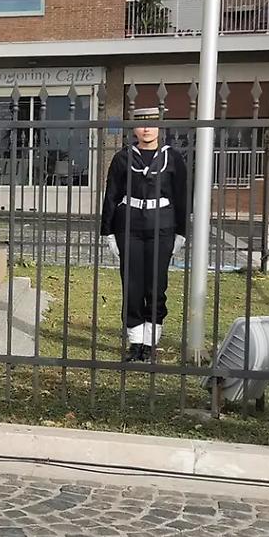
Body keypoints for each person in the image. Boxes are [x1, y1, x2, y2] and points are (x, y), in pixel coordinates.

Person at [100, 108, 189, 363]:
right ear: (134, 129)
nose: (146, 129)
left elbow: (182, 196)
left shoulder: (172, 158)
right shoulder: (123, 157)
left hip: (162, 227)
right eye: (141, 125)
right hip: (129, 226)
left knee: (156, 284)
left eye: (152, 124)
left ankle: (150, 342)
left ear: (160, 127)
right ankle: (135, 343)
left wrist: (181, 232)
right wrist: (108, 233)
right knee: (132, 284)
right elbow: (112, 196)